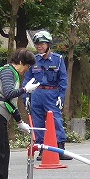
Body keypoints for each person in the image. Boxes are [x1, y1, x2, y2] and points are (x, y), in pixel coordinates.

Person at [0, 49, 38, 179]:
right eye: (27, 66)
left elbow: (10, 102)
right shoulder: (8, 72)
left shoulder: (12, 73)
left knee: (4, 151)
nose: (27, 70)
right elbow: (8, 94)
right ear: (20, 62)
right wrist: (25, 89)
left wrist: (20, 121)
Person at [24, 29, 70, 157]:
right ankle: (42, 149)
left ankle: (60, 148)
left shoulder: (57, 59)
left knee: (56, 120)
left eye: (42, 44)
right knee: (37, 122)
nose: (39, 46)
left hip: (51, 94)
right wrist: (26, 96)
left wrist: (61, 96)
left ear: (48, 44)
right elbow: (27, 79)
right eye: (37, 44)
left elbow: (63, 80)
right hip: (36, 94)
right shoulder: (33, 60)